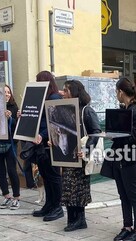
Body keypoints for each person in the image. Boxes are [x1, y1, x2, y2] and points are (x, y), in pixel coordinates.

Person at [61, 80, 101, 231]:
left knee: (78, 189)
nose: (63, 93)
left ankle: (79, 219)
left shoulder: (86, 110)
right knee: (68, 189)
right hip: (68, 157)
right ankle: (73, 219)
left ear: (74, 92)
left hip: (80, 157)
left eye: (66, 90)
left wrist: (86, 150)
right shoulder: (66, 109)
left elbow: (96, 132)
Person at [110, 77, 136, 241]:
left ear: (121, 92)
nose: (116, 95)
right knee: (123, 195)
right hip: (119, 158)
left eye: (116, 92)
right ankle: (127, 226)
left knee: (133, 195)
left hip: (131, 159)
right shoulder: (125, 109)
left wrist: (117, 136)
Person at [31, 71, 64, 221]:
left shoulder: (54, 98)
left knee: (54, 176)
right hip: (41, 144)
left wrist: (42, 135)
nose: (37, 83)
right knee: (45, 175)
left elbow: (54, 122)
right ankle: (49, 205)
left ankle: (57, 207)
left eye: (38, 81)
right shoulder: (43, 98)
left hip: (50, 144)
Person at [0, 85, 21, 209]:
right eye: (4, 92)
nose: (7, 94)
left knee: (12, 171)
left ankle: (16, 198)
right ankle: (6, 196)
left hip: (9, 145)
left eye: (8, 92)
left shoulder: (14, 108)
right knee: (0, 171)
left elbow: (17, 128)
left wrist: (11, 118)